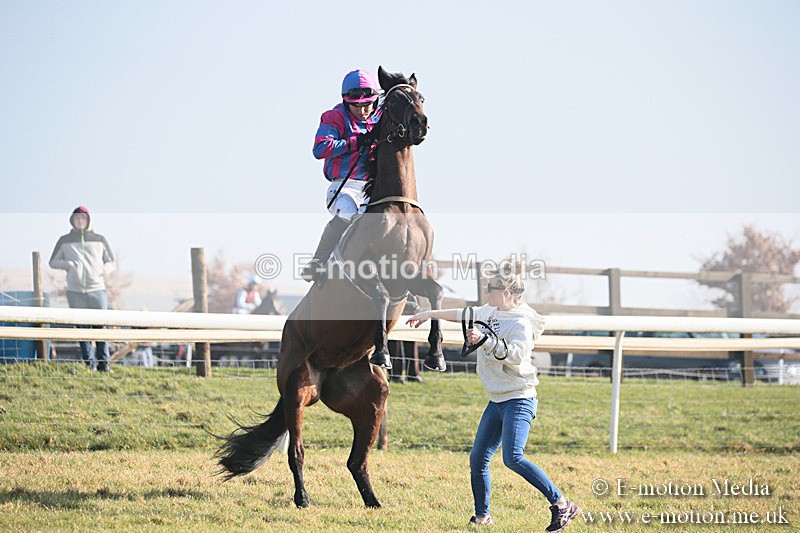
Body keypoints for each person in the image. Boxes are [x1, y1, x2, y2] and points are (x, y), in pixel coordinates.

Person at [405, 263, 580, 532]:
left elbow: (519, 356)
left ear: (506, 291)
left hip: (519, 399)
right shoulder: (489, 310)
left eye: (491, 288)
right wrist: (428, 313)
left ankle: (562, 504)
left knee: (513, 457)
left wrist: (485, 340)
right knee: (478, 459)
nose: (486, 291)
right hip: (497, 400)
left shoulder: (520, 321)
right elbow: (461, 313)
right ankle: (482, 516)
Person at [301, 68, 382, 286]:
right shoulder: (334, 116)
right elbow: (320, 149)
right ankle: (318, 262)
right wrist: (354, 142)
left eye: (368, 105)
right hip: (343, 187)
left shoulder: (380, 115)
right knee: (348, 213)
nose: (364, 111)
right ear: (346, 103)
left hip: (371, 187)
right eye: (357, 106)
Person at [48, 206, 115, 372]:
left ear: (88, 220)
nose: (80, 221)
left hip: (97, 290)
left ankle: (104, 363)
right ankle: (89, 364)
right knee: (82, 329)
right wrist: (69, 265)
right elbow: (52, 262)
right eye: (77, 218)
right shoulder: (64, 240)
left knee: (101, 326)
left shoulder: (99, 239)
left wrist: (101, 271)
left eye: (83, 218)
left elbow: (111, 262)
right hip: (75, 291)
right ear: (72, 220)